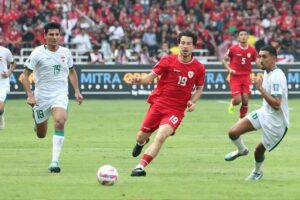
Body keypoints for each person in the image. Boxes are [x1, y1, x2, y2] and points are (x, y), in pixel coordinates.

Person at [130, 30, 206, 176]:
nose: (185, 46)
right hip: (159, 104)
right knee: (141, 136)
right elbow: (150, 77)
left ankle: (140, 167)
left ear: (193, 47)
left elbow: (199, 88)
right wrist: (140, 80)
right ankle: (140, 143)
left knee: (161, 136)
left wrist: (192, 101)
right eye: (182, 43)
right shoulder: (168, 61)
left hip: (176, 110)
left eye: (188, 44)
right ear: (178, 44)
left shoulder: (199, 68)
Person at [21, 22, 83, 173]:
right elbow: (24, 76)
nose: (55, 37)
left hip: (60, 95)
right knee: (41, 134)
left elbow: (72, 72)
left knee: (60, 121)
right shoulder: (37, 54)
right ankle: (37, 121)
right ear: (45, 36)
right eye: (51, 34)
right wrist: (30, 95)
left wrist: (76, 91)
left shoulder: (66, 53)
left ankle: (54, 161)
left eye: (57, 34)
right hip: (41, 97)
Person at [224, 46, 289, 181]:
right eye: (259, 56)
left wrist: (259, 88)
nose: (260, 60)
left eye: (264, 57)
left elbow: (277, 104)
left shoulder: (277, 77)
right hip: (264, 112)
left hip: (276, 123)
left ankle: (257, 172)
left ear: (274, 58)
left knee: (258, 151)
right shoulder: (267, 71)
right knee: (233, 132)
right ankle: (242, 150)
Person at [222, 29, 260, 118]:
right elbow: (224, 60)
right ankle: (232, 102)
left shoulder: (252, 50)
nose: (243, 36)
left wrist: (261, 63)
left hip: (246, 76)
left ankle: (242, 119)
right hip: (235, 77)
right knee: (238, 100)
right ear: (238, 37)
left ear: (248, 37)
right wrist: (229, 69)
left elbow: (257, 61)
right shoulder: (233, 49)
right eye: (241, 35)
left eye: (245, 35)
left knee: (245, 100)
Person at [0, 45, 16, 129]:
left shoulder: (5, 51)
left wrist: (9, 72)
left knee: (0, 109)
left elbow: (13, 63)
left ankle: (1, 114)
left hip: (2, 83)